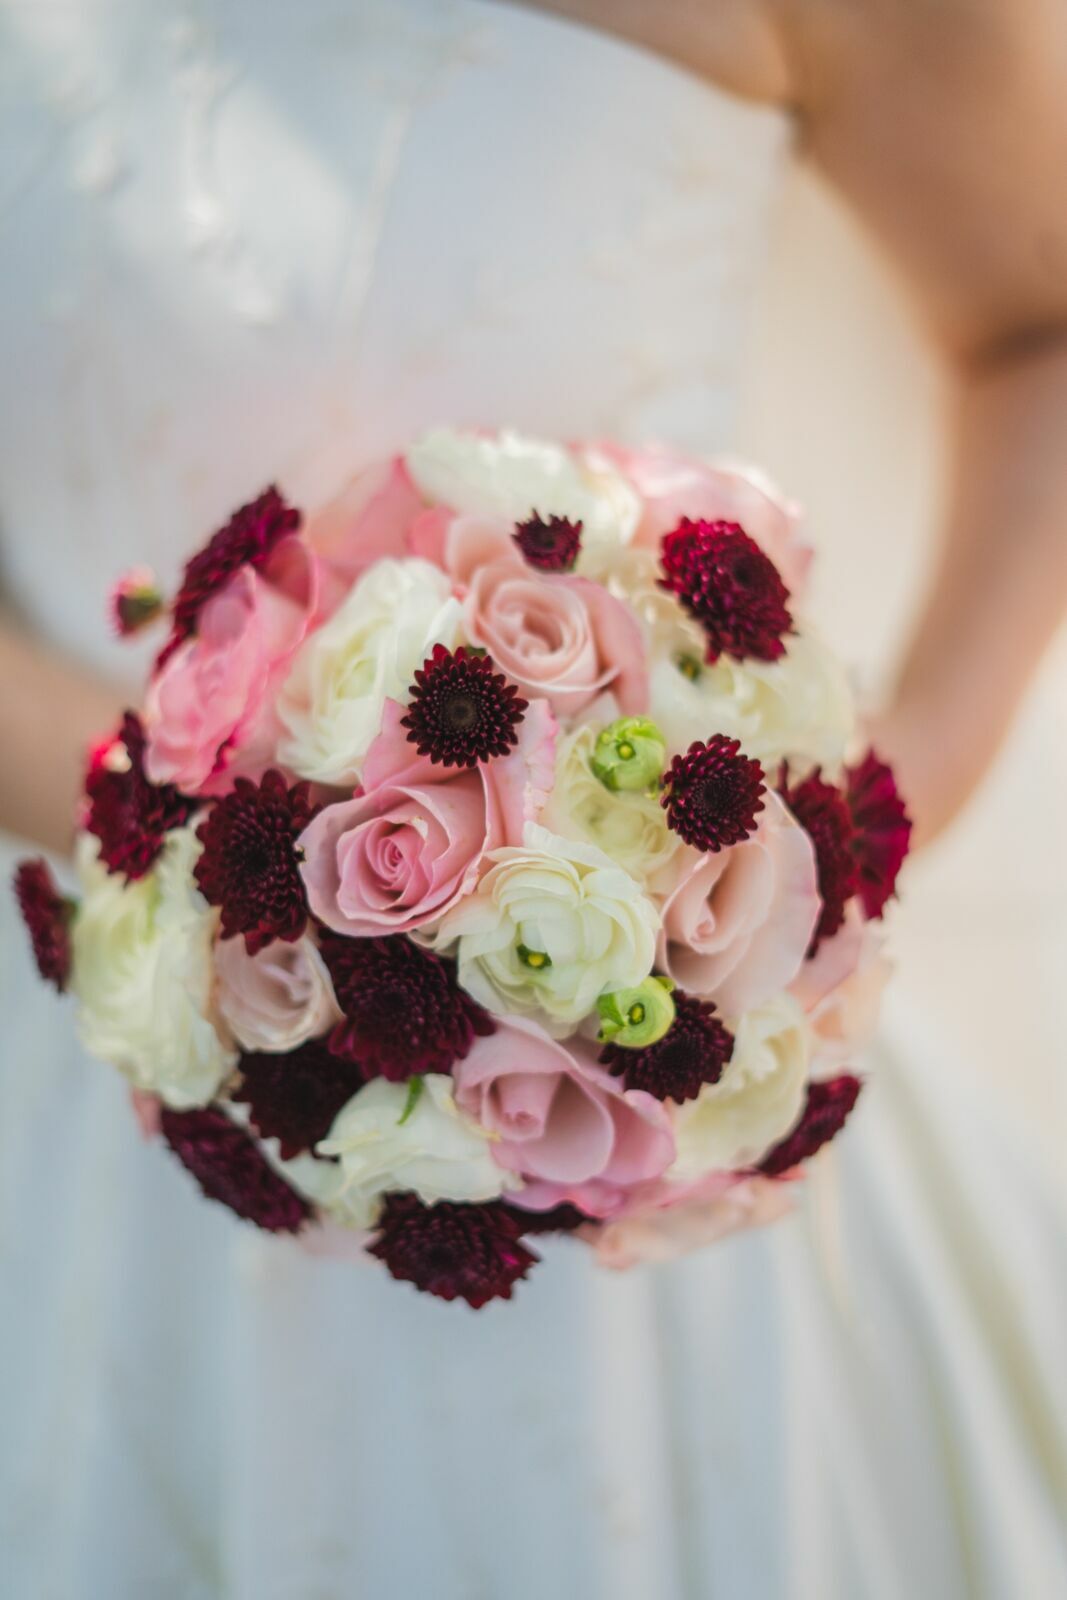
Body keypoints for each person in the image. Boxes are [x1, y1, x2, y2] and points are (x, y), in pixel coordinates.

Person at [1, 2, 1065, 1594]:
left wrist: (847, 838)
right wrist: (183, 840)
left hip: (664, 1089)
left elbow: (1037, 328)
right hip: (85, 1012)